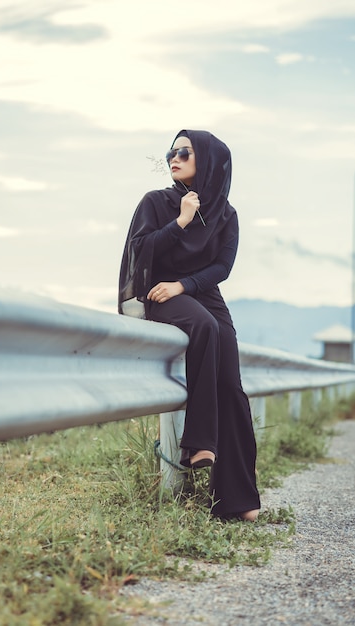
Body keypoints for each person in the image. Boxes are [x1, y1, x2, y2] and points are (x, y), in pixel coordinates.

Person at [118, 129, 260, 521]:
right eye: (171, 151)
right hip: (161, 294)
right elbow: (140, 251)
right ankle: (196, 443)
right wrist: (179, 222)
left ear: (210, 162)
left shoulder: (226, 215)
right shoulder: (158, 202)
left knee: (231, 384)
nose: (174, 157)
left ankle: (238, 499)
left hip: (202, 292)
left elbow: (222, 268)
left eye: (185, 151)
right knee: (203, 327)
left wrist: (188, 283)